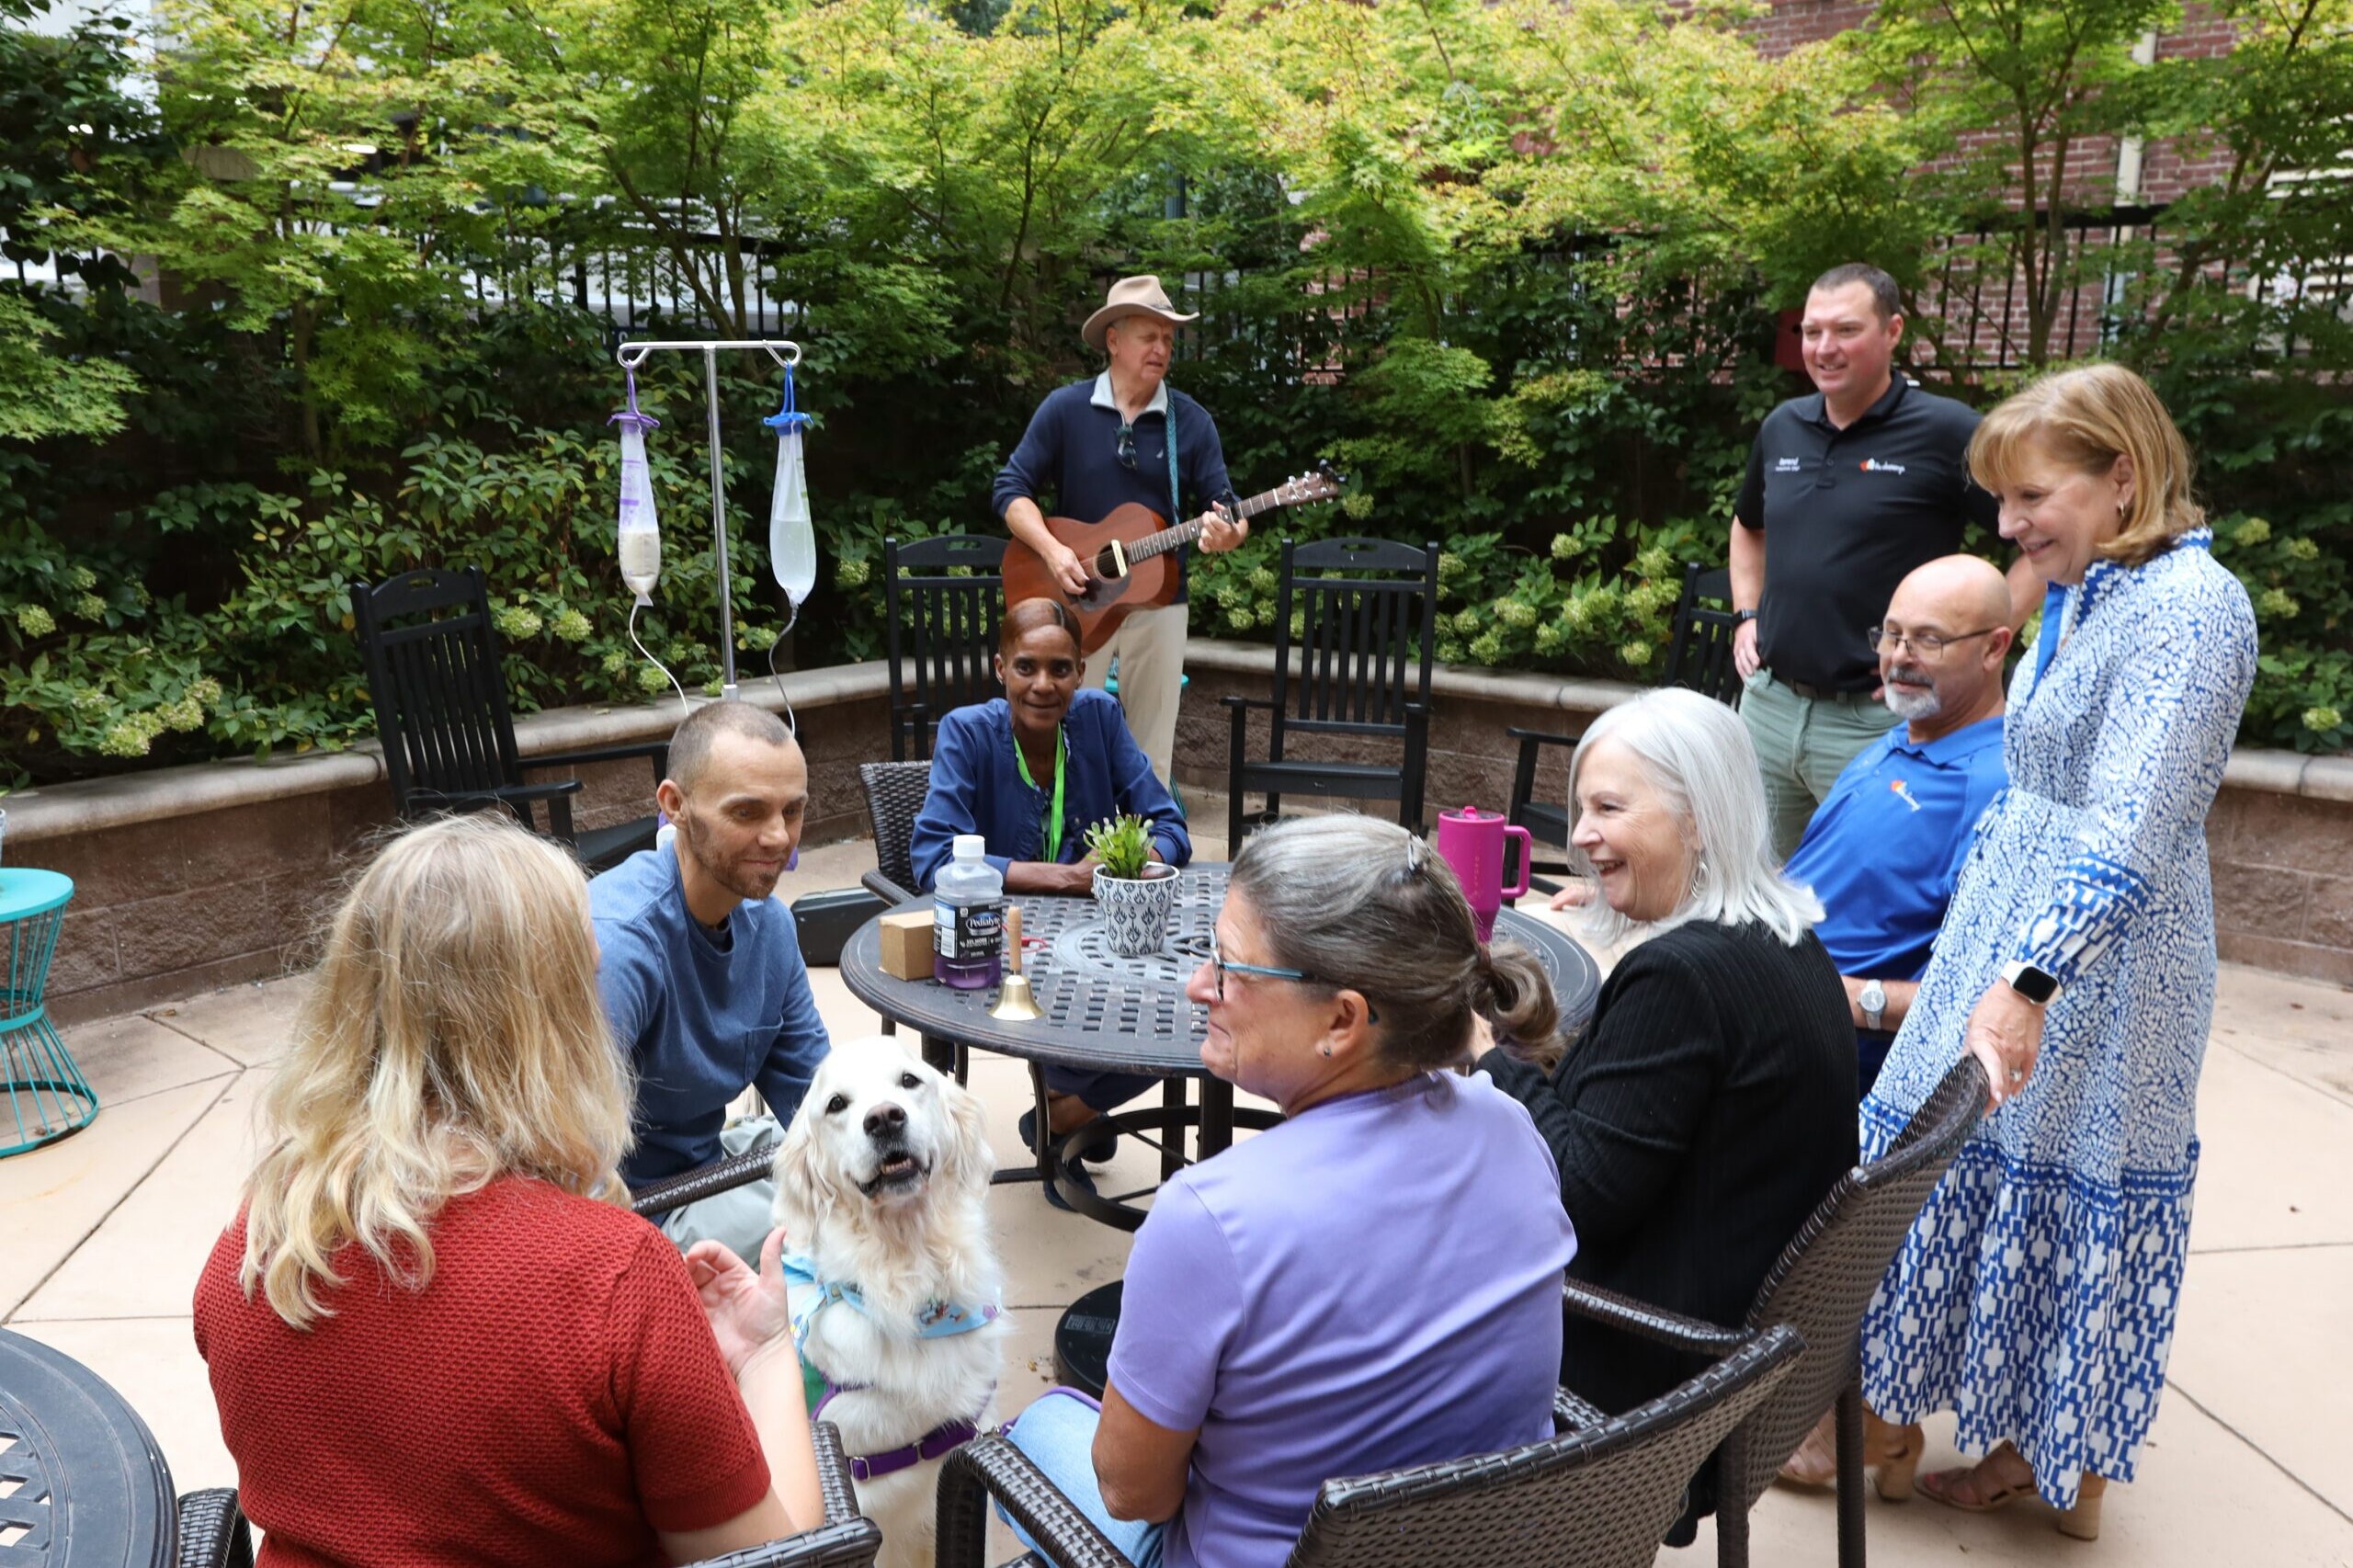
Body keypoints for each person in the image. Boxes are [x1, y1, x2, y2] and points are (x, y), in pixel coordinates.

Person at [1849, 364, 2256, 1540]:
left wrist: (2030, 979)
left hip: (2101, 951)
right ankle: (1899, 1418)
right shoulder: (2092, 588)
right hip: (2014, 911)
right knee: (1943, 1148)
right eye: (2000, 503)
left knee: (2056, 1170)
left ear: (2121, 474)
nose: (2011, 525)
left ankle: (2041, 1451)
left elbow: (2135, 820)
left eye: (2031, 495)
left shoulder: (2192, 607)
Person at [194, 814, 825, 1568]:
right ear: (550, 1023)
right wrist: (763, 1356)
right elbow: (775, 1560)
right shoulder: (614, 1275)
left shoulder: (254, 1245)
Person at [995, 815, 1576, 1568]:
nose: (1196, 983)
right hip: (1478, 1546)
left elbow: (1131, 1494)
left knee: (1038, 1431)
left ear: (1343, 1020)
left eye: (1228, 966)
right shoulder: (1511, 1128)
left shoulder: (1213, 1218)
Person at [1478, 687, 1856, 1432]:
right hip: (1743, 1341)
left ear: (1700, 820)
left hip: (1646, 1363)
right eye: (1582, 811)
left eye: (1610, 809)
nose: (1581, 835)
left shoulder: (1681, 978)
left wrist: (1489, 1056)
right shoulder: (1788, 939)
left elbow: (1577, 1195)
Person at [1729, 262, 2035, 858]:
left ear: (1893, 331)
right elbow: (1748, 526)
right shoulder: (1782, 426)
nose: (1824, 348)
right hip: (1769, 709)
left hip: (1881, 721)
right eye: (1811, 332)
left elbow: (2036, 546)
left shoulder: (1949, 432)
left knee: (1872, 895)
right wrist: (1746, 615)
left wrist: (1978, 642)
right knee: (1756, 892)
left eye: (1845, 330)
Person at [910, 597, 1192, 1202]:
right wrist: (1067, 878)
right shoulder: (968, 732)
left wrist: (1141, 863)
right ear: (999, 669)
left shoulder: (1099, 719)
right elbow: (934, 856)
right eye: (1027, 667)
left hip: (1100, 942)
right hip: (1001, 948)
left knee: (1192, 1021)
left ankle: (1062, 1114)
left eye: (1060, 669)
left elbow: (1170, 827)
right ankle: (1071, 1110)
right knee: (1148, 1031)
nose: (1044, 684)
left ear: (1082, 672)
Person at [591, 700, 829, 1261]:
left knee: (880, 1164)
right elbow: (568, 1170)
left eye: (792, 812)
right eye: (747, 813)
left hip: (710, 1170)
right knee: (850, 1212)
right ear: (675, 805)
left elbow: (817, 1098)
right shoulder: (620, 945)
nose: (778, 838)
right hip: (637, 1217)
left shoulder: (768, 925)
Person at [993, 275, 1248, 785]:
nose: (1161, 348)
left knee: (1150, 750)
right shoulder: (1065, 409)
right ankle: (1056, 846)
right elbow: (1010, 491)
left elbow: (1228, 509)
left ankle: (1145, 856)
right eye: (1148, 336)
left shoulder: (1190, 422)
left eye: (1169, 339)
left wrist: (1230, 533)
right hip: (1079, 598)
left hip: (1160, 602)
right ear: (1113, 340)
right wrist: (1052, 551)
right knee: (1059, 735)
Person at [1782, 554, 2014, 1097]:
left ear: (1994, 648)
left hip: (1819, 1062)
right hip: (1762, 993)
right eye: (1891, 635)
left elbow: (1988, 998)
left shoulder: (1993, 788)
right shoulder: (1906, 734)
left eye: (1928, 640)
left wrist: (1845, 999)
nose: (1898, 658)